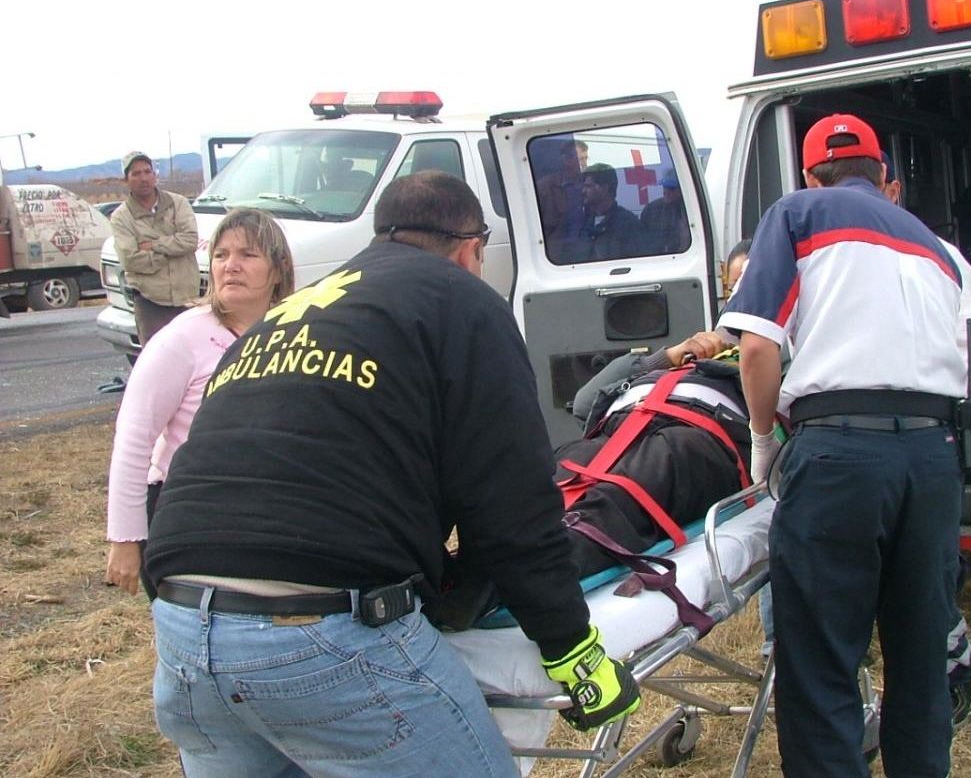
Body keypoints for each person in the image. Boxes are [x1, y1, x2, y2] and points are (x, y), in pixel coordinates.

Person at [143, 170, 640, 778]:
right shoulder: (464, 304)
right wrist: (572, 651)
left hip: (181, 628)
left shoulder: (286, 315)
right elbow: (512, 505)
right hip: (319, 627)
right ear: (471, 249)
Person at [719, 114, 968, 778]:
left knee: (821, 662)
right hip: (934, 455)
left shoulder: (796, 215)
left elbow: (757, 347)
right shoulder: (939, 250)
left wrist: (763, 442)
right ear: (884, 175)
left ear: (810, 175)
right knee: (922, 658)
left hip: (839, 455)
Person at [105, 210, 295, 600]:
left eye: (248, 255)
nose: (231, 266)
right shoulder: (183, 338)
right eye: (221, 255)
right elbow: (134, 436)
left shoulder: (292, 333)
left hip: (260, 511)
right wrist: (125, 538)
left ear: (278, 270)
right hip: (182, 512)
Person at [882, 150, 971, 728]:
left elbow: (969, 355)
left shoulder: (941, 257)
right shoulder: (826, 254)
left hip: (922, 434)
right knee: (922, 574)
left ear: (894, 189)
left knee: (930, 580)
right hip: (906, 442)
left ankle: (953, 676)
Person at [562, 331, 748, 577]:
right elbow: (583, 403)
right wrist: (667, 357)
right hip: (620, 424)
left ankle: (550, 562)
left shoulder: (773, 360)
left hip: (696, 431)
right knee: (564, 466)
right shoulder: (680, 357)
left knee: (640, 482)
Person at [109, 151, 200, 344]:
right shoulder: (121, 217)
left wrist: (154, 245)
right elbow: (130, 260)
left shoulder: (178, 203)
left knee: (194, 354)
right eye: (136, 173)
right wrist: (171, 252)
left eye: (147, 171)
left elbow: (191, 240)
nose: (143, 178)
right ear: (126, 180)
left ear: (155, 175)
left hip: (188, 300)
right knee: (155, 357)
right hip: (151, 304)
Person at [536, 139, 588, 263]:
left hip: (588, 249)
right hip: (557, 253)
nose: (584, 164)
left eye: (586, 158)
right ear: (567, 160)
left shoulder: (590, 183)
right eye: (580, 159)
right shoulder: (546, 186)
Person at [581, 163, 644, 260]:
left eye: (588, 186)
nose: (583, 191)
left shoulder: (628, 224)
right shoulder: (583, 223)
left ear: (605, 188)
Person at [639, 169, 690, 254]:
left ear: (682, 189)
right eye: (664, 187)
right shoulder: (651, 210)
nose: (666, 192)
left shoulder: (691, 212)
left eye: (671, 189)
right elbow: (641, 242)